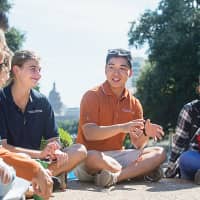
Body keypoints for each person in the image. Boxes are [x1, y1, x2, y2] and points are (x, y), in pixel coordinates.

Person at [75, 48, 166, 187]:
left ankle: (116, 177)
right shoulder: (91, 95)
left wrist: (146, 134)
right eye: (111, 67)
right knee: (91, 156)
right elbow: (90, 134)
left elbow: (137, 144)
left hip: (117, 156)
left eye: (122, 68)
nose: (116, 73)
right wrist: (122, 127)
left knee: (159, 152)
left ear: (130, 72)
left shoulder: (134, 103)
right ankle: (139, 172)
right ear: (105, 70)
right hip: (92, 157)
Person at [0, 50, 87, 183]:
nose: (39, 75)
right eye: (33, 69)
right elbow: (3, 148)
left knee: (80, 150)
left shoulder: (42, 101)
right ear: (16, 70)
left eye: (39, 70)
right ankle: (40, 179)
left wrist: (55, 150)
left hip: (37, 162)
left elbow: (53, 139)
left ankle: (41, 178)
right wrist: (39, 154)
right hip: (9, 162)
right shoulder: (2, 99)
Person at [165, 81, 200, 184]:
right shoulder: (190, 109)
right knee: (185, 158)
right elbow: (179, 142)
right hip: (196, 158)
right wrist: (170, 169)